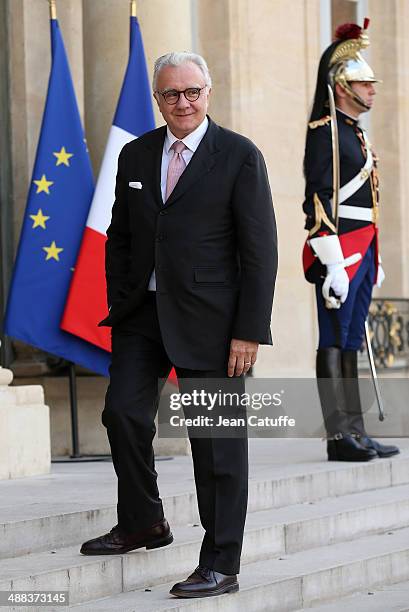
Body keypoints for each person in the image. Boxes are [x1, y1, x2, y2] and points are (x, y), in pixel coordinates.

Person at [80, 52, 278, 598]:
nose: (182, 103)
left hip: (215, 327)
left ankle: (221, 563)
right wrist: (122, 294)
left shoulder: (238, 155)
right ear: (158, 100)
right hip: (142, 318)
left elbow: (260, 251)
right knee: (121, 414)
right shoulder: (137, 153)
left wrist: (248, 330)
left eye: (192, 92)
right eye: (171, 95)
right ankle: (144, 521)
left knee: (217, 446)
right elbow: (119, 235)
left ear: (208, 93)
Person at [302, 20, 399, 462]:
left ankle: (356, 431)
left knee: (353, 339)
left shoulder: (353, 131)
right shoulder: (325, 132)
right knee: (333, 337)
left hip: (364, 245)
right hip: (340, 247)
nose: (373, 90)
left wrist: (372, 254)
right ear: (342, 86)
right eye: (365, 83)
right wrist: (334, 261)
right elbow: (318, 198)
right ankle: (337, 436)